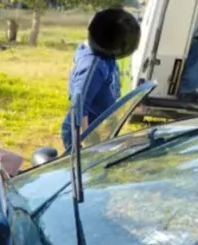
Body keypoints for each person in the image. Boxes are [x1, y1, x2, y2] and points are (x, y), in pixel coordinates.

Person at [59, 8, 139, 152]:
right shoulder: (93, 66)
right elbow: (80, 105)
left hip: (99, 128)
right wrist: (88, 143)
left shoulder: (107, 56)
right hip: (84, 132)